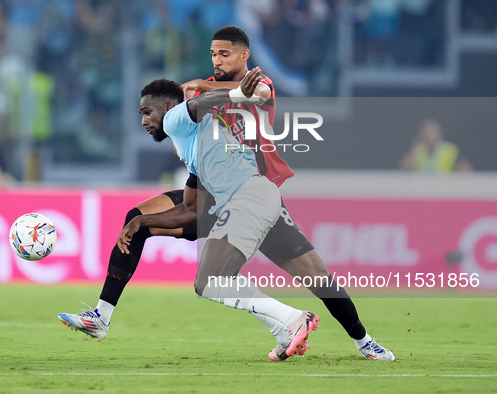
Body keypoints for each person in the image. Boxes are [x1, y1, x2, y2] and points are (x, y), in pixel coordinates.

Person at [59, 26, 394, 361]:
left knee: (316, 277)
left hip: (253, 191)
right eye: (213, 55)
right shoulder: (193, 114)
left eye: (224, 54)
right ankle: (101, 315)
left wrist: (208, 87)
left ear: (243, 55)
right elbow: (196, 151)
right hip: (221, 194)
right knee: (139, 219)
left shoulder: (256, 82)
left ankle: (363, 341)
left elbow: (255, 93)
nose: (216, 60)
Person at [400, 118, 473, 173]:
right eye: (427, 135)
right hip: (422, 189)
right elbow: (404, 169)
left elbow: (465, 168)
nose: (430, 138)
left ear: (439, 134)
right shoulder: (418, 150)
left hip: (443, 188)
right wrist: (414, 147)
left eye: (433, 134)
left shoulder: (449, 149)